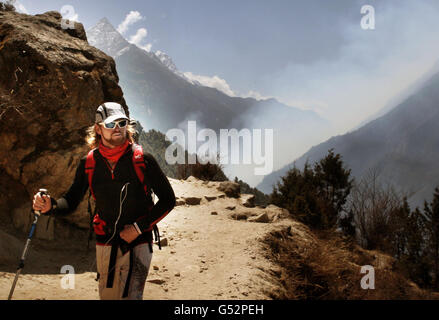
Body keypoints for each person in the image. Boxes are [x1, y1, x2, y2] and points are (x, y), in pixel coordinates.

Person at [32, 102, 176, 300]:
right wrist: (51, 206)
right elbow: (70, 201)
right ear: (98, 129)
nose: (117, 128)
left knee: (131, 297)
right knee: (108, 297)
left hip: (139, 241)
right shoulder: (89, 163)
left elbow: (168, 200)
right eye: (110, 124)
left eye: (122, 122)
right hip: (106, 240)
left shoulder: (143, 160)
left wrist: (137, 228)